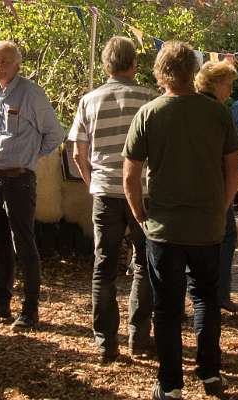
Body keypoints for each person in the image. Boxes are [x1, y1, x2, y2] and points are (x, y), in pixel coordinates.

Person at [123, 41, 238, 400]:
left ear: (161, 73)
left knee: (168, 307)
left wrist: (141, 216)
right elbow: (232, 170)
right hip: (206, 226)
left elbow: (129, 177)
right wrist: (221, 207)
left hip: (164, 229)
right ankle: (210, 374)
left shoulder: (149, 114)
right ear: (193, 71)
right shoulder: (217, 113)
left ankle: (170, 384)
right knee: (206, 299)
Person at [69, 37, 160, 363]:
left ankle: (106, 343)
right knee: (144, 267)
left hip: (105, 192)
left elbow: (78, 152)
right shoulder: (149, 100)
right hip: (144, 193)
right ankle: (139, 338)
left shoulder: (89, 101)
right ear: (134, 65)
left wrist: (93, 182)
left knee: (104, 267)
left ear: (105, 65)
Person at [0, 40, 66, 329]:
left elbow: (55, 134)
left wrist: (30, 158)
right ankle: (1, 304)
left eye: (1, 62)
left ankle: (30, 310)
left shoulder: (31, 94)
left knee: (23, 245)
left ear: (16, 64)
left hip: (19, 181)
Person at [194, 60, 238, 313]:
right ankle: (220, 294)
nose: (230, 91)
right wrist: (228, 198)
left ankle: (205, 295)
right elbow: (231, 162)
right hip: (215, 188)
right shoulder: (219, 112)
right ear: (214, 84)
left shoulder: (188, 105)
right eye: (228, 85)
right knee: (225, 236)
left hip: (192, 185)